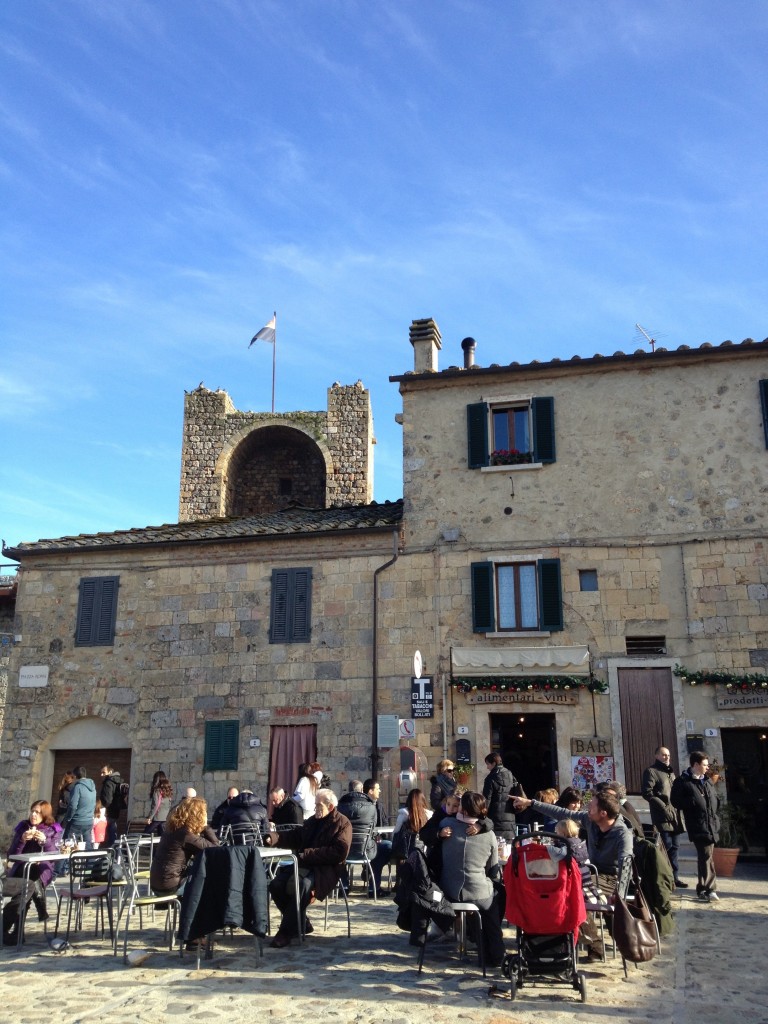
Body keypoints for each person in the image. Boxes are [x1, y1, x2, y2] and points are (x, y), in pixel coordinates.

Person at [513, 789, 633, 960]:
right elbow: (562, 812)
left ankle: (595, 946)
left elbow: (625, 864)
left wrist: (619, 894)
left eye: (591, 806)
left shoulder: (622, 834)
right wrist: (531, 803)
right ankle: (566, 941)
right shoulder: (591, 821)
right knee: (570, 889)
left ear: (603, 813)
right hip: (591, 873)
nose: (586, 808)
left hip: (611, 878)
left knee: (575, 893)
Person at [263, 788, 352, 947]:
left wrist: (309, 854)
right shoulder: (312, 821)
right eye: (315, 805)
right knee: (276, 884)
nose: (315, 809)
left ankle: (285, 932)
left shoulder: (342, 823)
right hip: (304, 864)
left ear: (330, 807)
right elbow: (296, 836)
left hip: (326, 870)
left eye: (319, 806)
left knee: (302, 886)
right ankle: (302, 923)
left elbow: (339, 852)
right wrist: (274, 838)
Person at [439, 791, 506, 968]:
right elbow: (493, 869)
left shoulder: (446, 825)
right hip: (477, 892)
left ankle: (475, 937)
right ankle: (495, 952)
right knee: (495, 899)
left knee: (489, 898)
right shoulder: (488, 834)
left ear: (465, 810)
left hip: (449, 890)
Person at [3, 800, 59, 944]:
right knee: (28, 882)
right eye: (32, 811)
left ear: (45, 814)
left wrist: (45, 841)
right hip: (21, 868)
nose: (33, 815)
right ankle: (40, 906)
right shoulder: (23, 827)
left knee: (31, 876)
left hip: (42, 871)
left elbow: (54, 855)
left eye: (38, 812)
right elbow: (11, 855)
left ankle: (16, 933)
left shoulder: (52, 829)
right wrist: (22, 840)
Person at [671, 751, 720, 902]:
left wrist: (716, 818)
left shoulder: (707, 781)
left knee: (707, 857)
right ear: (696, 764)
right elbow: (675, 801)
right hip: (697, 825)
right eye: (705, 765)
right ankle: (709, 889)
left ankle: (703, 888)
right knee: (706, 856)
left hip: (711, 824)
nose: (707, 768)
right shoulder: (683, 781)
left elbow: (715, 799)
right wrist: (692, 802)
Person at [150, 797, 219, 895]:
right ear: (198, 815)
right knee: (208, 882)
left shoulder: (172, 829)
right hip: (170, 886)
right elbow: (216, 850)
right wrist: (205, 826)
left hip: (156, 884)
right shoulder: (186, 835)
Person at [642, 746, 687, 888]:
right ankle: (664, 878)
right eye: (663, 755)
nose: (667, 757)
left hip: (675, 816)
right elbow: (647, 793)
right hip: (662, 816)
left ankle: (675, 877)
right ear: (656, 756)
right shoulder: (651, 772)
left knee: (675, 847)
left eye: (668, 755)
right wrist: (663, 807)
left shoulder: (671, 773)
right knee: (666, 847)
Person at [339, 778, 390, 897]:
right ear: (362, 790)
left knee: (336, 849)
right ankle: (373, 888)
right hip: (366, 850)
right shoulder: (372, 806)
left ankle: (344, 886)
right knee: (386, 847)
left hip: (345, 851)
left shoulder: (340, 806)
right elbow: (373, 827)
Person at [481, 752, 521, 840]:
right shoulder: (511, 775)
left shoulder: (490, 778)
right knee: (509, 847)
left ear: (494, 763)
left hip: (495, 817)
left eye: (488, 764)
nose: (487, 767)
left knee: (497, 847)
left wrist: (482, 818)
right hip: (510, 815)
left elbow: (486, 800)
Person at [392, 788, 432, 860]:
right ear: (423, 800)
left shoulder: (404, 814)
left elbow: (396, 832)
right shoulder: (429, 815)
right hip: (424, 852)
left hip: (406, 853)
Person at [62, 766, 97, 846]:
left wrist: (68, 818)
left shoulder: (77, 787)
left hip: (77, 821)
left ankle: (66, 859)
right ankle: (90, 858)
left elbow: (73, 806)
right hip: (89, 821)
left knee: (67, 845)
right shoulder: (93, 787)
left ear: (74, 776)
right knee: (87, 845)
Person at [99, 764, 124, 847]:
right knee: (112, 833)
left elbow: (107, 800)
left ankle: (109, 854)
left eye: (103, 772)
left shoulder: (108, 782)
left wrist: (102, 806)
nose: (101, 775)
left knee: (104, 834)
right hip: (115, 811)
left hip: (108, 812)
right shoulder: (118, 781)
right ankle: (114, 853)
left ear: (110, 772)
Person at [145, 771, 174, 836]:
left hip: (157, 817)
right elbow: (169, 805)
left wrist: (150, 818)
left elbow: (156, 805)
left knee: (145, 834)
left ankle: (137, 846)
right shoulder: (167, 790)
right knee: (161, 837)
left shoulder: (157, 791)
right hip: (165, 818)